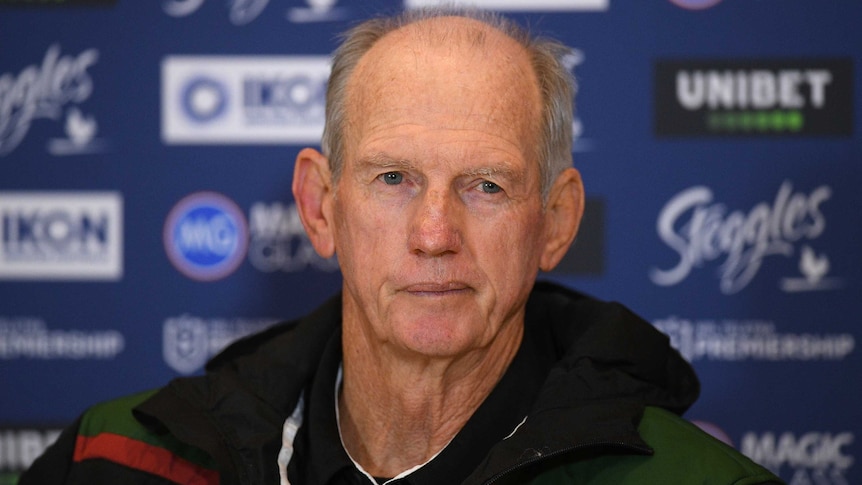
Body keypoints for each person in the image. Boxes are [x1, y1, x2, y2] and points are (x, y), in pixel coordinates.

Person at [21, 7, 784, 485]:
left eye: (486, 185)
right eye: (393, 178)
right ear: (321, 206)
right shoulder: (119, 460)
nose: (434, 234)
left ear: (555, 221)